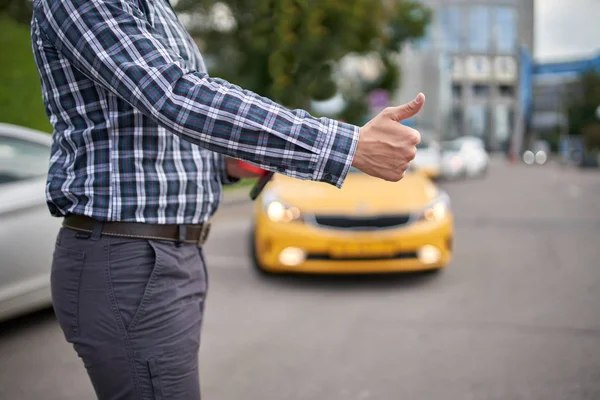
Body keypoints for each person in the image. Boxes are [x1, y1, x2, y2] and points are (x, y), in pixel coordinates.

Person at [30, 0, 424, 398]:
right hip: (129, 255)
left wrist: (227, 163)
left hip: (162, 253)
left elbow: (155, 136)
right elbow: (174, 96)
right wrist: (345, 145)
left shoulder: (155, 7)